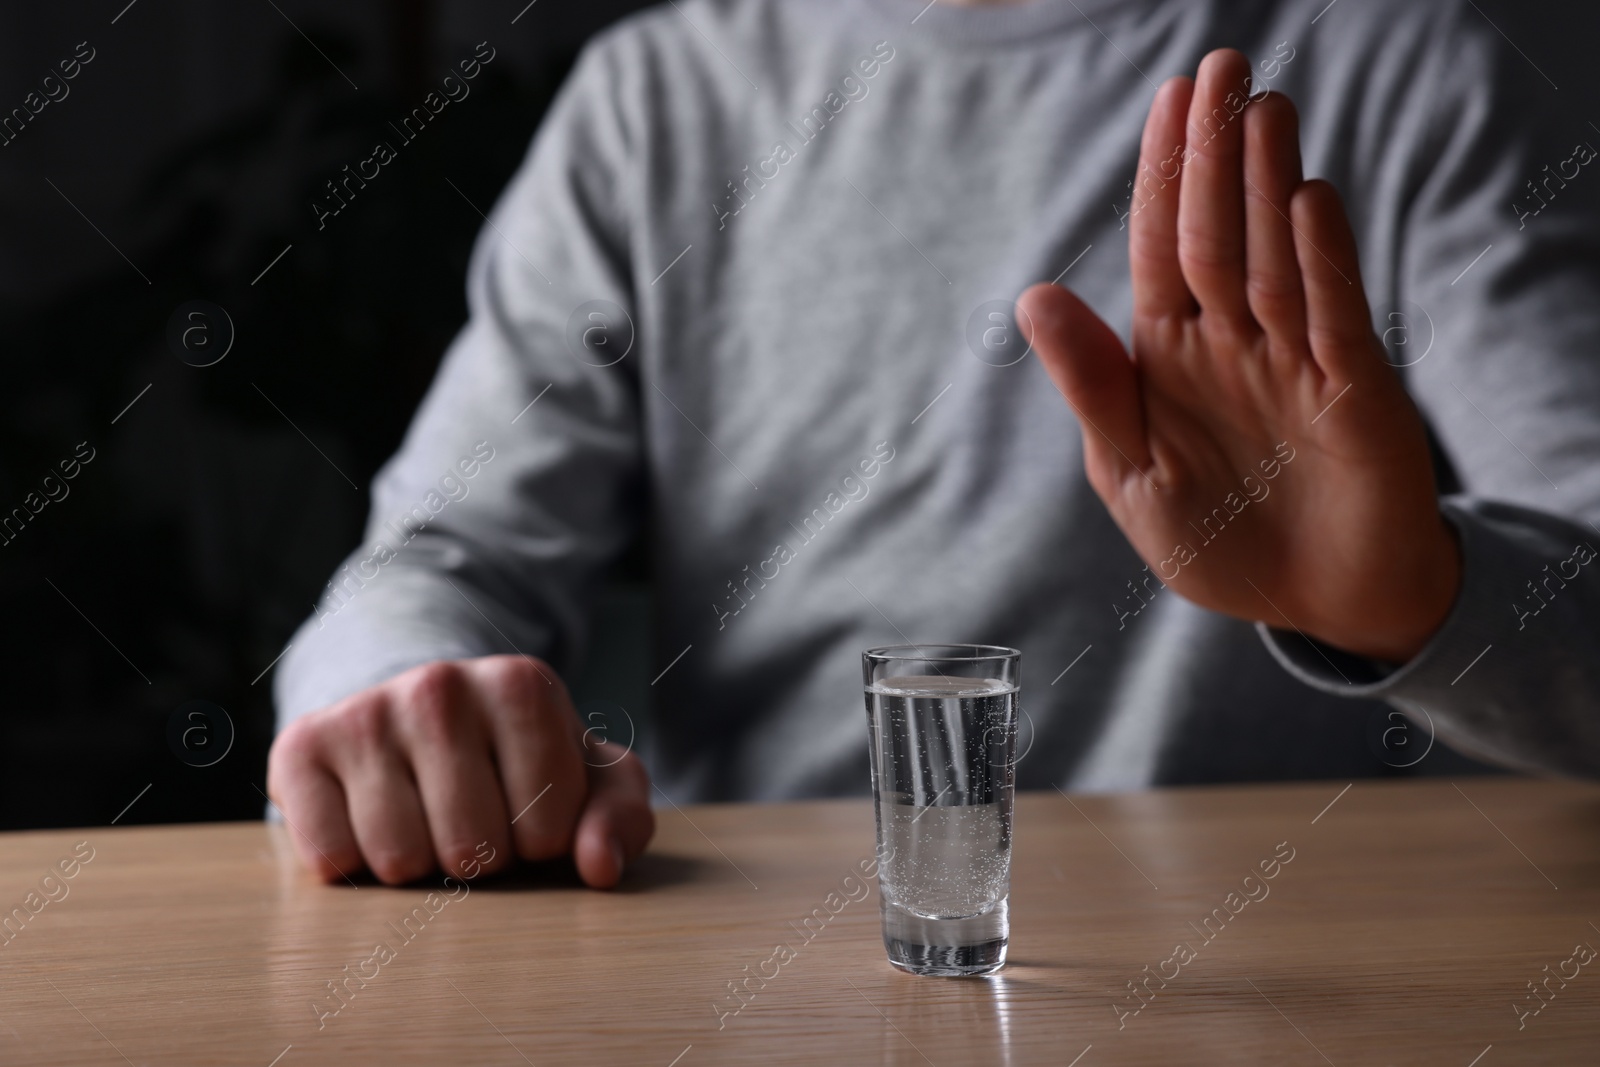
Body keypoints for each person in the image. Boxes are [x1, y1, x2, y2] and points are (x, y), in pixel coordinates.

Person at [268, 0, 1600, 888]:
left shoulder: (1402, 68)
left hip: (1290, 988)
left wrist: (1417, 600)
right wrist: (403, 700)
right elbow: (436, 557)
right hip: (765, 983)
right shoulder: (657, 101)